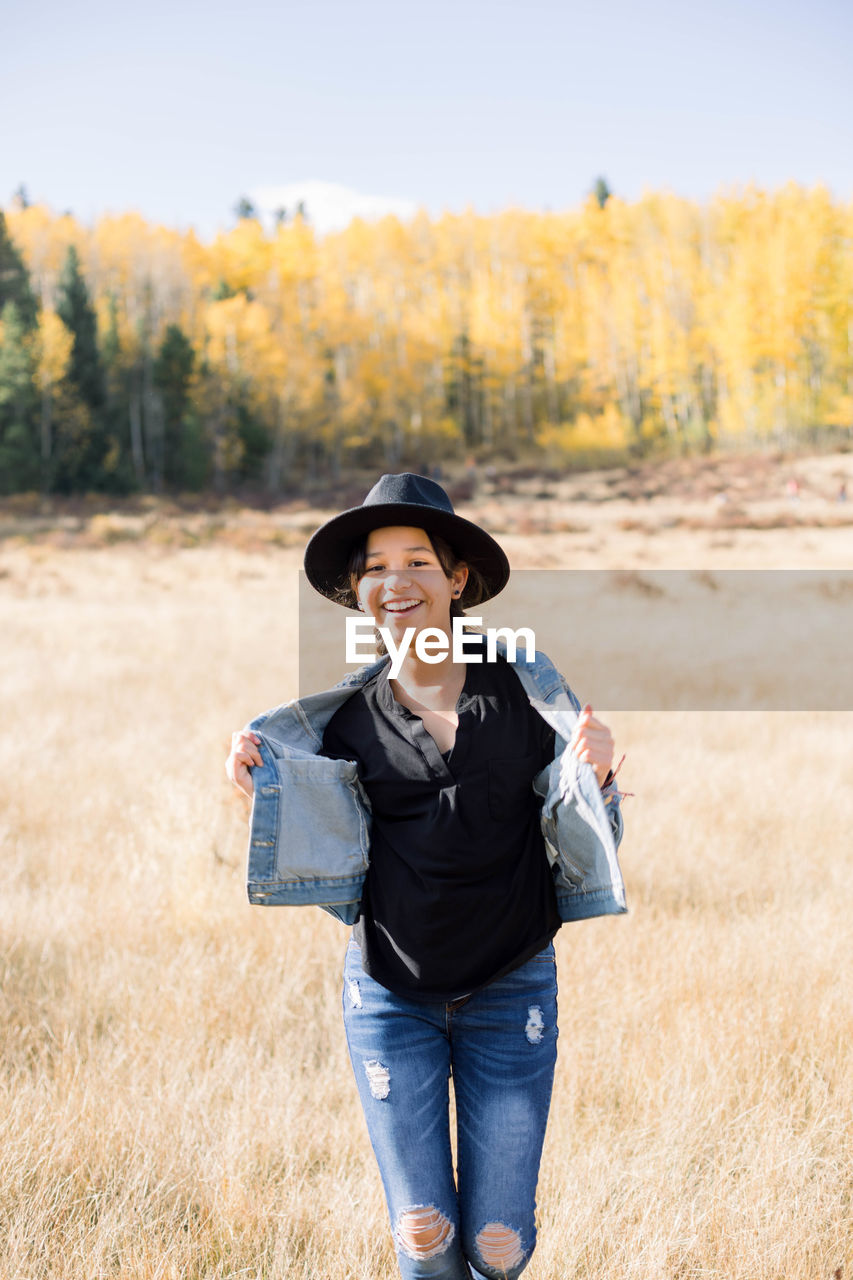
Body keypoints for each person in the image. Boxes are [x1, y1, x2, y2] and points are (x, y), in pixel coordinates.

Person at [226, 472, 627, 1280]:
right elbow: (319, 844)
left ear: (457, 580)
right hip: (386, 996)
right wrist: (256, 789)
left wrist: (604, 774)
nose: (394, 580)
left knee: (497, 1247)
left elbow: (588, 827)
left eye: (416, 561)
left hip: (510, 986)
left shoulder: (526, 692)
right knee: (422, 1236)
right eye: (375, 566)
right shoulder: (336, 721)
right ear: (357, 590)